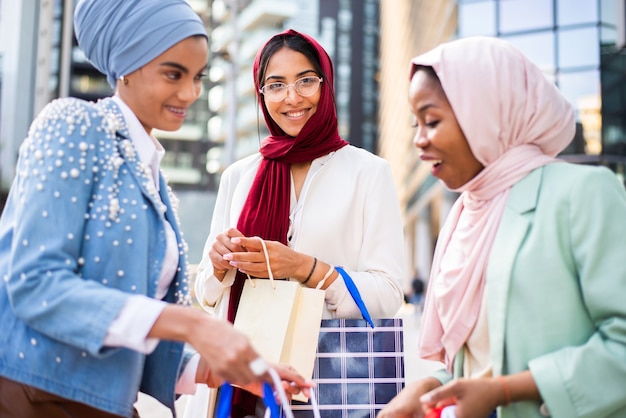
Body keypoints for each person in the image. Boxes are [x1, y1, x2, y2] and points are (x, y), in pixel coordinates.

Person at [0, 2, 310, 418]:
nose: (190, 93)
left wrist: (222, 371)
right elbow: (35, 284)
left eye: (197, 76)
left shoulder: (154, 180)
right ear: (125, 64)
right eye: (173, 73)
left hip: (104, 406)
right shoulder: (73, 123)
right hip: (30, 397)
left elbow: (135, 334)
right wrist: (195, 325)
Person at [378, 36, 626, 418]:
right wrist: (430, 388)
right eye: (415, 124)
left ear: (486, 113)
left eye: (431, 120)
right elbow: (482, 362)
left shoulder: (584, 193)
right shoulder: (465, 216)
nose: (419, 140)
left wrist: (504, 392)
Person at [194, 29, 405, 417]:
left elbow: (389, 293)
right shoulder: (239, 176)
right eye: (276, 85)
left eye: (306, 80)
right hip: (245, 382)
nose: (292, 98)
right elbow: (207, 294)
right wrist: (219, 264)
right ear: (261, 94)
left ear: (325, 84)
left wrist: (306, 269)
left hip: (333, 384)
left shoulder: (368, 172)